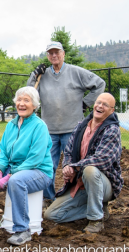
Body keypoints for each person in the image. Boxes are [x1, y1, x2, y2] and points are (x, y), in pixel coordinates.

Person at [0, 86, 53, 246]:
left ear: (34, 105)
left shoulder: (39, 126)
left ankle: (22, 230)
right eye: (19, 100)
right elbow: (4, 152)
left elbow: (35, 158)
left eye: (26, 100)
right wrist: (0, 171)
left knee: (16, 181)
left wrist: (10, 176)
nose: (21, 103)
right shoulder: (11, 125)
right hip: (13, 169)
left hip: (39, 171)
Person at [27, 41, 106, 203]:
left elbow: (99, 84)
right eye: (51, 53)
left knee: (73, 166)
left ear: (63, 54)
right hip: (49, 130)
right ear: (48, 56)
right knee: (47, 165)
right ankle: (48, 197)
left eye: (57, 52)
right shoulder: (42, 75)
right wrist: (33, 76)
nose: (54, 55)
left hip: (73, 129)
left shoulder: (76, 72)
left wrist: (86, 103)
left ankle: (72, 197)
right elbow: (30, 94)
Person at [44, 93, 123, 233]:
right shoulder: (81, 126)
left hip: (104, 184)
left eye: (105, 104)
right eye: (98, 102)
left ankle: (96, 220)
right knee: (51, 215)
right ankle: (98, 208)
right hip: (81, 184)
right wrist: (68, 165)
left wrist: (76, 167)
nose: (100, 106)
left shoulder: (112, 130)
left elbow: (103, 159)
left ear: (112, 110)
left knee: (90, 170)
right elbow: (68, 151)